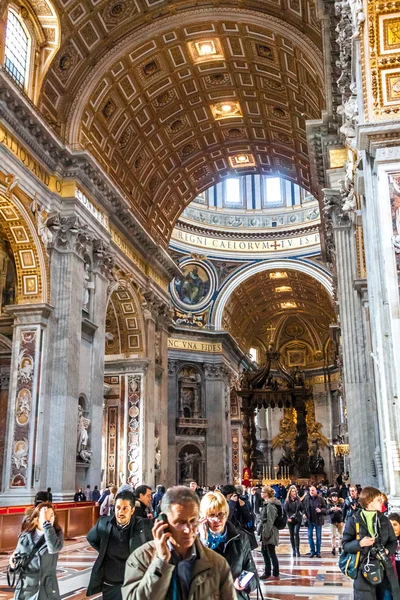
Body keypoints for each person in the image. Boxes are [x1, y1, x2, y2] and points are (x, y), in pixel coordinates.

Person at [122, 486, 236, 599]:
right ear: (163, 522)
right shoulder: (140, 559)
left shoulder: (217, 564)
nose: (188, 529)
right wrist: (160, 563)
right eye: (180, 522)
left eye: (193, 521)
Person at [87, 490, 153, 600]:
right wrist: (104, 550)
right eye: (118, 508)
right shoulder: (104, 524)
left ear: (132, 510)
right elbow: (91, 538)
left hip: (134, 584)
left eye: (125, 508)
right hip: (110, 584)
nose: (120, 512)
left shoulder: (143, 526)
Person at [342, 486, 400, 600]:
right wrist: (360, 544)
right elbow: (345, 545)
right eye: (378, 499)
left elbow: (393, 542)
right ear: (369, 501)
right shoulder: (354, 519)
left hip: (385, 570)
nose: (381, 502)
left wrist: (387, 550)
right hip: (363, 571)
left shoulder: (384, 519)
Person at [198, 490, 258, 599]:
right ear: (203, 517)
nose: (217, 520)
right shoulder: (195, 541)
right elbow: (195, 575)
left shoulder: (240, 538)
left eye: (221, 514)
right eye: (211, 515)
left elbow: (253, 575)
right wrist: (204, 542)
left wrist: (245, 583)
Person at [9, 502, 64, 600]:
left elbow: (53, 548)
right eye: (46, 516)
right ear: (36, 518)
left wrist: (46, 524)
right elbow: (19, 565)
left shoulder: (56, 535)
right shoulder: (25, 536)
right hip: (25, 589)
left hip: (45, 589)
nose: (49, 519)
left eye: (52, 516)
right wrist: (13, 566)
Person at [259, 485, 281, 581]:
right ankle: (267, 571)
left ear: (267, 494)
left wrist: (266, 534)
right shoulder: (267, 504)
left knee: (271, 552)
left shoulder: (270, 505)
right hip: (266, 530)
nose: (261, 494)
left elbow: (270, 521)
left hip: (270, 531)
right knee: (264, 552)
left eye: (263, 492)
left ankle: (275, 573)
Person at [302, 485, 327, 558]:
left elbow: (325, 508)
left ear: (316, 491)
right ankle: (312, 551)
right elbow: (304, 508)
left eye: (313, 490)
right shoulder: (307, 499)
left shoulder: (320, 499)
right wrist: (304, 514)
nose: (311, 492)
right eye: (310, 491)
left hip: (318, 520)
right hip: (310, 520)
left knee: (318, 537)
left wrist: (321, 510)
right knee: (309, 536)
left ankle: (318, 552)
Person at [284, 485, 303, 557]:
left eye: (295, 491)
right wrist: (288, 517)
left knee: (296, 533)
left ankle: (297, 549)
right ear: (290, 492)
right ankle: (294, 550)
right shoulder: (287, 501)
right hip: (290, 519)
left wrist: (303, 514)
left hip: (297, 518)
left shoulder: (298, 500)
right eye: (292, 491)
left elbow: (302, 508)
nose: (294, 492)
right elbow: (285, 511)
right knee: (292, 535)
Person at [327, 490, 344, 555]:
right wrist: (331, 509)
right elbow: (327, 512)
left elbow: (344, 511)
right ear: (331, 498)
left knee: (340, 535)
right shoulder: (329, 504)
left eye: (336, 497)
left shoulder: (341, 504)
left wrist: (340, 509)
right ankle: (333, 547)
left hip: (340, 521)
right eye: (333, 497)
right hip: (332, 521)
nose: (334, 498)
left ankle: (340, 547)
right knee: (333, 535)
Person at [389, 513, 400, 581]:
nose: (392, 527)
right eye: (390, 525)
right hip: (392, 571)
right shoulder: (386, 539)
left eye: (395, 524)